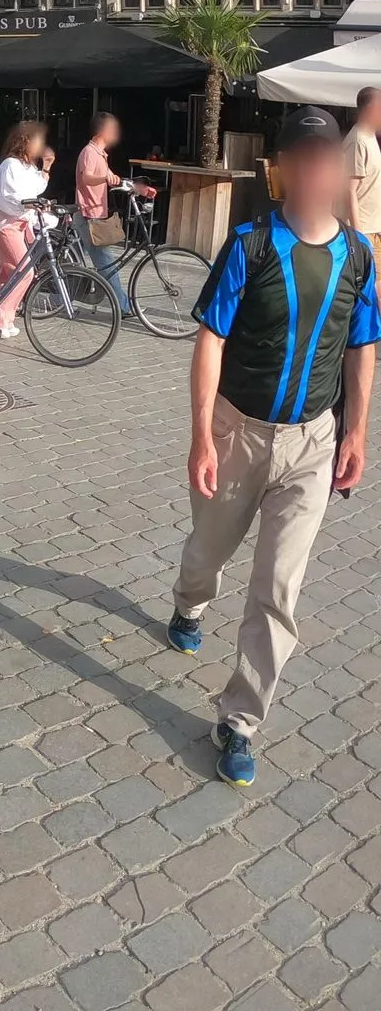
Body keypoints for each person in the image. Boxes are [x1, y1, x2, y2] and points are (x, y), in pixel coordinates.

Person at [172, 105, 377, 787]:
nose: (318, 172)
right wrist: (202, 435)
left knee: (279, 588)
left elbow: (361, 345)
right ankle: (189, 602)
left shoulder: (359, 256)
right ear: (284, 170)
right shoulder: (251, 244)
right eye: (304, 160)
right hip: (240, 430)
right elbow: (211, 339)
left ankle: (239, 719)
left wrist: (355, 431)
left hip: (312, 445)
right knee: (208, 552)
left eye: (328, 160)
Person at [75, 112, 153, 311]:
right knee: (107, 265)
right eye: (113, 130)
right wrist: (103, 179)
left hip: (97, 217)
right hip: (88, 217)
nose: (116, 135)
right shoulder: (89, 153)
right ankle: (124, 308)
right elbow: (86, 178)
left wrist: (141, 189)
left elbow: (117, 180)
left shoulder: (101, 155)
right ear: (103, 131)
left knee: (102, 264)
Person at [0, 120, 54, 340]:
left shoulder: (28, 167)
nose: (40, 145)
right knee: (26, 272)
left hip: (19, 226)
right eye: (37, 141)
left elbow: (35, 188)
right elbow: (10, 197)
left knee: (9, 274)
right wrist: (28, 204)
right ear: (26, 142)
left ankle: (1, 318)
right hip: (7, 226)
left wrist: (46, 168)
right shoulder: (10, 165)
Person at [346, 86, 381, 254]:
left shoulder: (370, 136)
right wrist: (359, 236)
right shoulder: (358, 141)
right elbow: (349, 190)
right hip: (364, 233)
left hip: (373, 229)